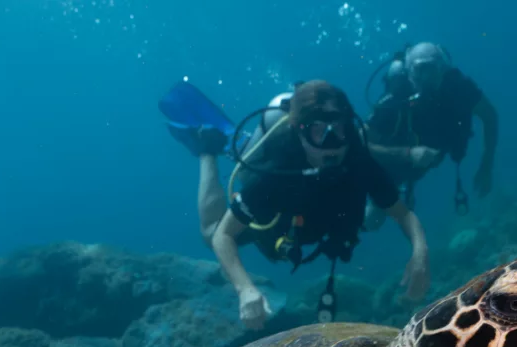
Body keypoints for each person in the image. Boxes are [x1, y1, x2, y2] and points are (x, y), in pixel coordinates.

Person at [175, 80, 431, 330]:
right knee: (210, 232)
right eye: (319, 132)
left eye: (338, 130)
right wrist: (245, 289)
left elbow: (403, 214)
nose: (331, 144)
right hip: (278, 222)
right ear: (299, 131)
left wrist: (420, 255)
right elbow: (224, 235)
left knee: (372, 221)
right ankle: (207, 150)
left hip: (318, 224)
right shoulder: (276, 173)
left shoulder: (358, 161)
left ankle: (240, 142)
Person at [364, 41, 499, 229]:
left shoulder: (460, 89)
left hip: (427, 158)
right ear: (409, 74)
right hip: (394, 161)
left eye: (432, 70)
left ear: (443, 70)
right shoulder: (393, 102)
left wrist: (486, 165)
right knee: (373, 219)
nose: (426, 79)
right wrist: (407, 154)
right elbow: (362, 145)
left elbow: (489, 116)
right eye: (420, 71)